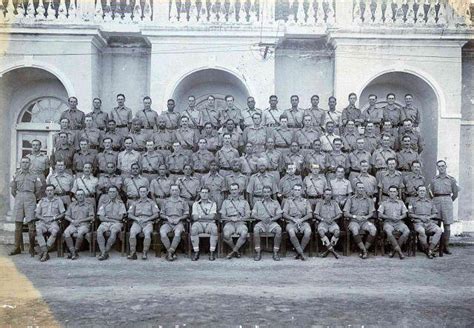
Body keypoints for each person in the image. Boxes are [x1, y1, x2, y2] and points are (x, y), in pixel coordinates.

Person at [9, 157, 43, 256]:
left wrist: (31, 197)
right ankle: (16, 247)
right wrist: (20, 197)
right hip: (19, 198)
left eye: (27, 162)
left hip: (30, 198)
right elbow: (13, 190)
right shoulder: (16, 175)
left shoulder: (34, 175)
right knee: (18, 224)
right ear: (20, 163)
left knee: (31, 225)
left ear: (30, 164)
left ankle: (32, 248)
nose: (25, 164)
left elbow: (38, 190)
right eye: (23, 162)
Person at [428, 160, 459, 255]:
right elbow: (430, 193)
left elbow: (455, 193)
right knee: (436, 224)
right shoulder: (434, 180)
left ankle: (446, 246)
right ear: (437, 168)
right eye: (439, 166)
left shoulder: (451, 180)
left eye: (443, 166)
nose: (441, 168)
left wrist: (448, 201)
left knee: (447, 224)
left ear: (446, 167)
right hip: (436, 200)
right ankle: (436, 245)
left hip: (447, 200)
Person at [343, 182, 376, 259]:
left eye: (362, 188)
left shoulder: (369, 200)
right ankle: (364, 250)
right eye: (359, 188)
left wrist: (366, 217)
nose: (361, 189)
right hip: (354, 221)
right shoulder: (350, 199)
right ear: (355, 189)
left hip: (365, 221)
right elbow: (345, 213)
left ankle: (364, 249)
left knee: (373, 229)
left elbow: (372, 213)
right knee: (355, 229)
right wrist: (354, 216)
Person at [408, 186, 442, 259]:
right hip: (418, 223)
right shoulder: (412, 202)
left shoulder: (430, 201)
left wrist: (429, 217)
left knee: (439, 230)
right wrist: (420, 217)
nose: (422, 192)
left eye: (423, 191)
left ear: (426, 192)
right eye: (420, 191)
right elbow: (410, 214)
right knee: (421, 231)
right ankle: (427, 249)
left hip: (429, 222)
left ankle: (430, 249)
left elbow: (435, 213)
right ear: (417, 192)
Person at [127, 186, 160, 260]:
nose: (143, 193)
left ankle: (144, 252)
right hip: (137, 221)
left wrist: (148, 219)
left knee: (147, 234)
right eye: (141, 192)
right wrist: (136, 218)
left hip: (148, 222)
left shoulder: (152, 202)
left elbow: (156, 214)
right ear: (139, 192)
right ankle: (133, 252)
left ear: (147, 192)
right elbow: (129, 214)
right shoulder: (135, 203)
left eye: (144, 191)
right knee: (132, 233)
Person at [34, 184, 66, 262]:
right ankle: (45, 252)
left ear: (54, 191)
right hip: (43, 222)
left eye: (51, 190)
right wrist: (43, 218)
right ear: (45, 192)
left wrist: (54, 218)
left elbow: (63, 213)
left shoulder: (58, 200)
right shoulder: (42, 201)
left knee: (55, 231)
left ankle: (43, 252)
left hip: (53, 222)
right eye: (48, 190)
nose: (49, 192)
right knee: (38, 230)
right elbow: (37, 214)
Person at [252, 185, 283, 261]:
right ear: (262, 193)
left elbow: (280, 214)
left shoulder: (275, 202)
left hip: (272, 222)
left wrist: (272, 219)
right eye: (264, 192)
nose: (266, 194)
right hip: (261, 222)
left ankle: (275, 252)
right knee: (256, 229)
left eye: (268, 192)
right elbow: (253, 214)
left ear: (271, 193)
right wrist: (261, 218)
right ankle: (258, 252)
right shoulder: (258, 203)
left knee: (279, 229)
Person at [220, 183, 251, 259]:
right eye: (232, 190)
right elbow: (222, 215)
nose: (234, 191)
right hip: (229, 222)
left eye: (235, 189)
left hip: (241, 222)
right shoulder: (225, 202)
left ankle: (233, 251)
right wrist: (230, 218)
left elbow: (248, 215)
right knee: (226, 234)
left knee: (244, 233)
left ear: (239, 190)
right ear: (230, 191)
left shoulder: (245, 202)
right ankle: (236, 250)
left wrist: (240, 219)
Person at [378, 186, 409, 259]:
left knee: (407, 231)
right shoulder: (384, 203)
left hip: (399, 222)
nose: (392, 193)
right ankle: (400, 252)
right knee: (388, 231)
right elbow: (380, 214)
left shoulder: (401, 203)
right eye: (391, 192)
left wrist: (400, 217)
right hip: (388, 222)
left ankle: (394, 250)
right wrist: (389, 217)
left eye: (394, 192)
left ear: (397, 193)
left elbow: (405, 214)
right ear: (388, 193)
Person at [282, 184, 313, 261]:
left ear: (301, 191)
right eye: (295, 190)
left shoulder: (306, 201)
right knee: (291, 232)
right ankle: (301, 253)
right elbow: (284, 214)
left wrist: (301, 220)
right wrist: (292, 219)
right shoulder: (288, 201)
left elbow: (310, 214)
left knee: (308, 231)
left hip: (303, 222)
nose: (297, 192)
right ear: (292, 191)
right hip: (291, 222)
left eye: (299, 190)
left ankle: (299, 252)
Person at [96, 186, 127, 261]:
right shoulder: (104, 203)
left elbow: (120, 217)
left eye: (114, 192)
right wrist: (113, 219)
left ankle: (105, 252)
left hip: (117, 224)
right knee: (99, 231)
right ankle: (104, 252)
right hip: (106, 223)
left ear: (117, 193)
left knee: (113, 231)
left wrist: (108, 216)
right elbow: (101, 218)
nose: (112, 193)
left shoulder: (120, 204)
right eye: (110, 192)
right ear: (108, 193)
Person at [160, 184, 190, 261]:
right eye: (172, 190)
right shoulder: (165, 201)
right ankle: (171, 252)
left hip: (179, 222)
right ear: (170, 191)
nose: (174, 192)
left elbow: (186, 214)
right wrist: (167, 218)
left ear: (179, 191)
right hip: (167, 222)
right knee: (162, 232)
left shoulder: (183, 201)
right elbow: (161, 214)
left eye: (176, 190)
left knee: (178, 232)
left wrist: (179, 218)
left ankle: (169, 253)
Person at [63, 189, 94, 260]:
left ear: (84, 196)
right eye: (78, 195)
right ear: (76, 196)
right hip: (73, 224)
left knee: (80, 233)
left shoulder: (89, 205)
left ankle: (74, 252)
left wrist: (80, 221)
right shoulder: (72, 205)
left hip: (84, 224)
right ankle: (73, 253)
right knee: (66, 232)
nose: (80, 196)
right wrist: (72, 221)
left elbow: (92, 217)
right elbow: (66, 216)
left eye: (82, 195)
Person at [190, 187, 218, 261]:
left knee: (214, 229)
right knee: (193, 229)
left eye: (206, 192)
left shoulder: (213, 204)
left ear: (209, 194)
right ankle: (196, 252)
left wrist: (200, 216)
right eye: (202, 192)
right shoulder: (196, 204)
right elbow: (194, 218)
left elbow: (212, 217)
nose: (204, 194)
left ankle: (212, 252)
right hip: (199, 224)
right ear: (200, 194)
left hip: (210, 224)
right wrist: (206, 217)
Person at [314, 188, 342, 259]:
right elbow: (316, 215)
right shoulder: (319, 203)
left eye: (330, 194)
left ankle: (327, 250)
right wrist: (323, 219)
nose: (328, 196)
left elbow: (340, 214)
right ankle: (332, 251)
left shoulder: (335, 203)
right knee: (321, 232)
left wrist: (334, 219)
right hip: (323, 222)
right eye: (327, 194)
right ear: (324, 194)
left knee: (337, 232)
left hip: (332, 222)